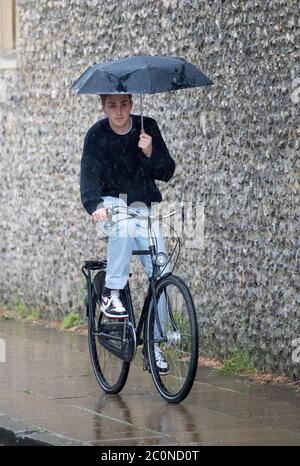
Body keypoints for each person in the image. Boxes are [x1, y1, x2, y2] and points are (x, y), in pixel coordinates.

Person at [80, 93, 175, 374]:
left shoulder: (148, 127)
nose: (118, 111)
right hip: (110, 203)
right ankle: (112, 290)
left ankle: (154, 344)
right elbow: (88, 176)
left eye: (123, 104)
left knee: (163, 270)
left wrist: (150, 151)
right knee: (120, 224)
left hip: (142, 207)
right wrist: (94, 205)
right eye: (112, 105)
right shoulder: (97, 135)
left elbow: (166, 171)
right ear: (103, 107)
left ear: (131, 105)